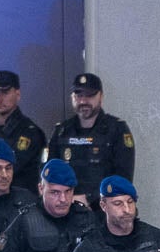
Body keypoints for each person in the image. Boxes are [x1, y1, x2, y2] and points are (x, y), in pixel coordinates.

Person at [47, 73, 137, 209]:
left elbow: (123, 179)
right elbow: (49, 173)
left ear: (101, 97)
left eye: (89, 95)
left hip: (103, 212)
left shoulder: (117, 129)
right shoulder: (62, 131)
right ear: (72, 97)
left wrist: (88, 197)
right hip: (65, 210)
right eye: (79, 96)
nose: (83, 101)